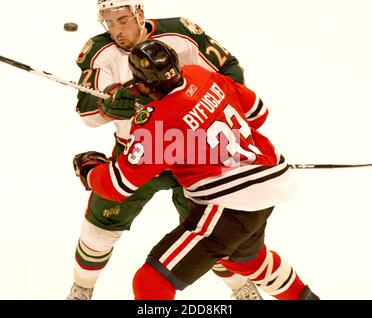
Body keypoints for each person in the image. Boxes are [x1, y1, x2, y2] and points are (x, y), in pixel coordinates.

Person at [73, 39, 320, 300]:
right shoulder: (198, 73)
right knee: (248, 260)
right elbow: (258, 113)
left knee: (151, 282)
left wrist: (90, 170)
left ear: (141, 84)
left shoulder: (157, 122)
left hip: (230, 202)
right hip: (268, 182)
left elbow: (119, 185)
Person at [68, 0, 260, 300]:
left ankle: (240, 287)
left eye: (122, 20)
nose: (116, 31)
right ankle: (82, 288)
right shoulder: (99, 51)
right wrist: (109, 105)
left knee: (212, 231)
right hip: (138, 151)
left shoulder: (181, 32)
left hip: (195, 153)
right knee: (98, 229)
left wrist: (219, 116)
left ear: (139, 14)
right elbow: (86, 112)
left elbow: (230, 71)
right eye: (108, 22)